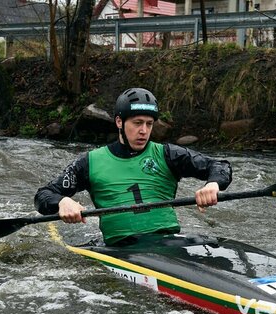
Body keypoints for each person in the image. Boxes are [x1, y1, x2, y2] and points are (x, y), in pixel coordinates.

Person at [34, 87, 232, 245]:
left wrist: (213, 184)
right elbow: (43, 195)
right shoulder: (89, 162)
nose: (144, 131)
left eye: (149, 124)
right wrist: (62, 202)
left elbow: (219, 165)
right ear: (119, 122)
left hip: (168, 243)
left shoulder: (168, 154)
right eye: (137, 123)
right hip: (121, 249)